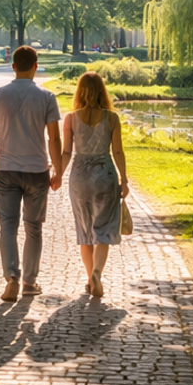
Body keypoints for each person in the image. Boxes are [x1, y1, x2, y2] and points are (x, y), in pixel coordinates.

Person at [0, 45, 63, 302]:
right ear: (36, 66)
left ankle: (11, 278)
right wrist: (58, 170)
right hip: (37, 170)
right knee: (34, 227)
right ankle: (30, 281)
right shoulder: (47, 97)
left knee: (8, 225)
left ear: (13, 66)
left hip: (5, 169)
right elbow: (54, 138)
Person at [58, 72, 129, 298]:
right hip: (104, 174)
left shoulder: (71, 118)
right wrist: (124, 179)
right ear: (102, 91)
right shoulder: (112, 118)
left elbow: (67, 151)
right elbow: (117, 151)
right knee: (104, 228)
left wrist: (58, 173)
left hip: (79, 176)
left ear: (80, 91)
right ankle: (98, 273)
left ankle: (90, 279)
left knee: (85, 230)